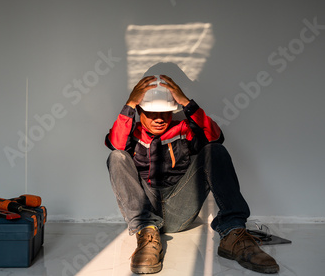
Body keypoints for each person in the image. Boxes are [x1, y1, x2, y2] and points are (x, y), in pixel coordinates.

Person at [105, 74, 279, 274]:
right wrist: (130, 103)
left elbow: (215, 138)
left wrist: (187, 103)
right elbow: (116, 144)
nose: (160, 119)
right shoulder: (130, 132)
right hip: (147, 209)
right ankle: (147, 235)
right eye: (152, 113)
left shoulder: (183, 129)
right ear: (140, 111)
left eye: (166, 113)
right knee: (117, 157)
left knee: (214, 150)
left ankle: (233, 233)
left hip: (180, 208)